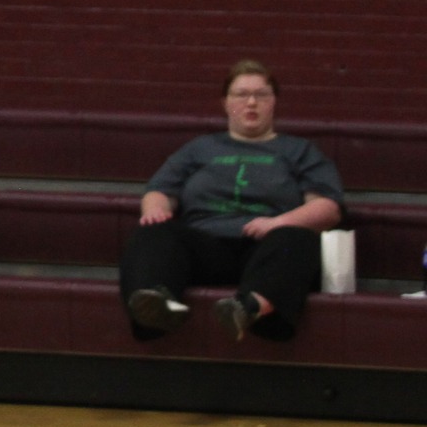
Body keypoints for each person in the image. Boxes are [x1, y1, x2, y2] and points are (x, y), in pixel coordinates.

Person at [121, 62, 343, 342]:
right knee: (151, 233)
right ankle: (156, 308)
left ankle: (248, 308)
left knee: (300, 239)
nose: (251, 102)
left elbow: (328, 208)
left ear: (274, 102)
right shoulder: (200, 148)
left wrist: (278, 223)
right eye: (241, 94)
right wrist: (155, 210)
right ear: (225, 103)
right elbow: (160, 190)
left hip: (267, 246)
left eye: (261, 95)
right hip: (205, 246)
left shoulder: (298, 151)